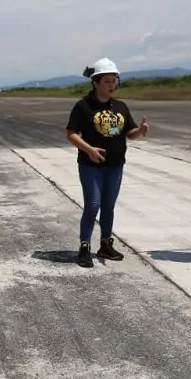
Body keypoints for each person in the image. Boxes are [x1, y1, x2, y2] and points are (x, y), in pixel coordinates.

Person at [66, 57, 150, 267]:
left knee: (109, 206)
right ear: (96, 82)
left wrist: (139, 131)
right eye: (107, 81)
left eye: (114, 81)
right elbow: (71, 134)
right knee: (93, 205)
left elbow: (129, 133)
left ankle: (105, 244)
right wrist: (89, 149)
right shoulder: (83, 106)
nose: (111, 85)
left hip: (115, 165)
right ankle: (84, 246)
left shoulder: (120, 106)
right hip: (91, 165)